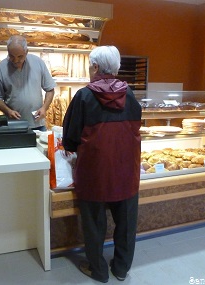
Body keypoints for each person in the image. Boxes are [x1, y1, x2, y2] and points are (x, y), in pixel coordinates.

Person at [62, 46, 142, 283]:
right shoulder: (131, 95)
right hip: (127, 169)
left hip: (95, 171)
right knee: (126, 222)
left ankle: (98, 270)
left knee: (94, 223)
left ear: (95, 67)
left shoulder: (84, 96)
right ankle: (120, 269)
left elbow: (71, 138)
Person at [0, 35, 56, 131]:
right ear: (7, 51)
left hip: (38, 124)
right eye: (11, 56)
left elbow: (50, 89)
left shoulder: (38, 63)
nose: (16, 60)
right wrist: (8, 111)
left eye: (20, 56)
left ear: (26, 52)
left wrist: (44, 108)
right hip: (14, 125)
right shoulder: (0, 68)